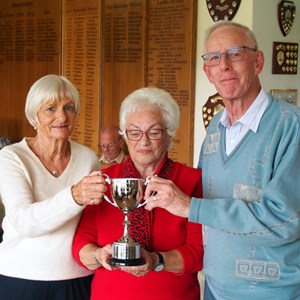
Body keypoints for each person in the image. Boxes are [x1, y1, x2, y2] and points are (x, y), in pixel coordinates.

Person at [144, 21, 300, 300]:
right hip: (215, 287)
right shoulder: (217, 126)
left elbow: (285, 220)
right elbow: (207, 202)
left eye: (236, 53)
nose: (224, 65)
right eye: (214, 58)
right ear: (208, 72)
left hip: (272, 291)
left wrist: (191, 207)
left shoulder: (290, 126)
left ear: (258, 61)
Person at [72, 87, 204, 300]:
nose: (143, 141)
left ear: (169, 133)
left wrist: (156, 260)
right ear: (124, 136)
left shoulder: (192, 181)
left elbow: (199, 253)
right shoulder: (104, 180)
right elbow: (81, 243)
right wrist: (98, 255)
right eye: (134, 132)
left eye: (153, 132)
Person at [0, 74, 107, 300]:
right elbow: (24, 221)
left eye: (69, 107)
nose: (61, 116)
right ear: (34, 116)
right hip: (19, 277)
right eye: (50, 108)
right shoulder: (11, 157)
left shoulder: (88, 158)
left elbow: (92, 224)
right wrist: (74, 196)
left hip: (77, 278)